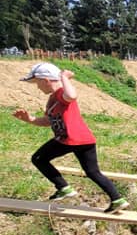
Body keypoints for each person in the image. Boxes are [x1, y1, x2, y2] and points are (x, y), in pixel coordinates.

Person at [13, 63, 128, 213]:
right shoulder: (52, 100)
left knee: (39, 158)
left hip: (69, 139)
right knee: (93, 172)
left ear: (46, 80)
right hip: (85, 140)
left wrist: (64, 77)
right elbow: (48, 121)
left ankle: (63, 188)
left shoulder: (61, 93)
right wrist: (30, 119)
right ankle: (117, 200)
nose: (38, 87)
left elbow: (72, 96)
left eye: (37, 83)